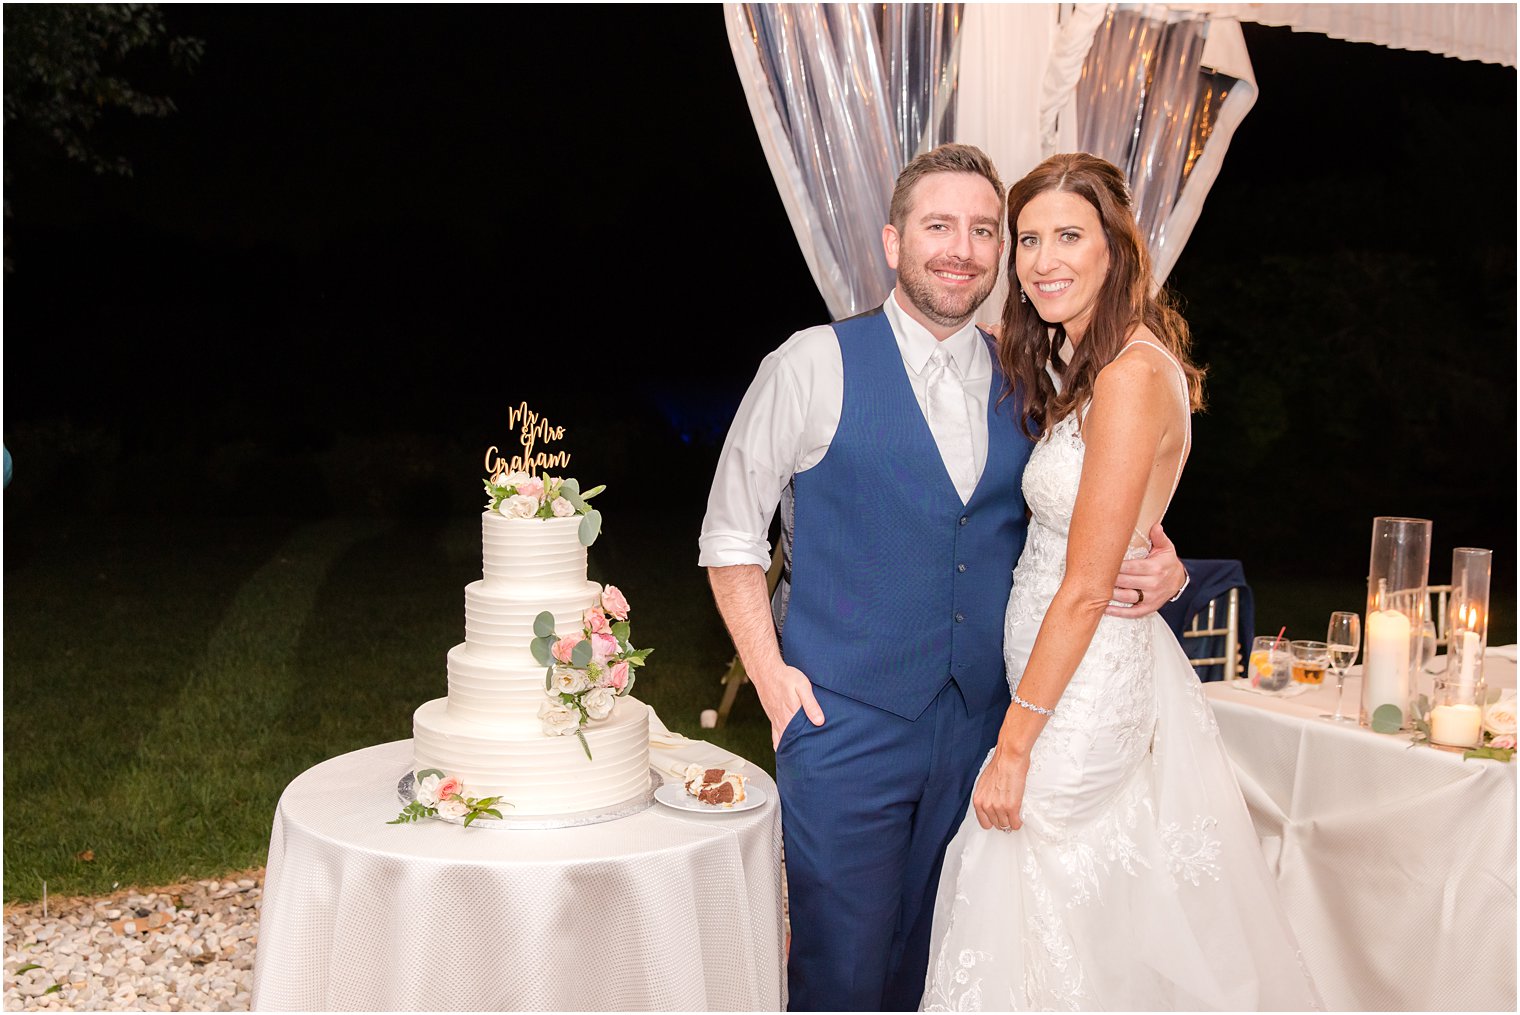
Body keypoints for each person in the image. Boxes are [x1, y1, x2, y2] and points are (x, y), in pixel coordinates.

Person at [699, 144, 1188, 1012]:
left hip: (985, 727)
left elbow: (1091, 495)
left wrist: (1160, 553)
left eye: (982, 230)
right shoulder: (812, 363)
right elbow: (730, 534)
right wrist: (773, 684)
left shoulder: (1032, 373)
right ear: (893, 243)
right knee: (840, 970)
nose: (961, 248)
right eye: (938, 226)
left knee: (951, 960)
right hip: (845, 723)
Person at [920, 152, 1322, 1011]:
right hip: (1060, 677)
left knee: (1025, 880)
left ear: (1116, 250)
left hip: (1082, 690)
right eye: (1028, 239)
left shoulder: (1132, 375)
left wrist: (1014, 747)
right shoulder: (1082, 363)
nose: (1042, 260)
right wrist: (1162, 551)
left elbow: (1083, 586)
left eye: (1069, 235)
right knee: (1082, 917)